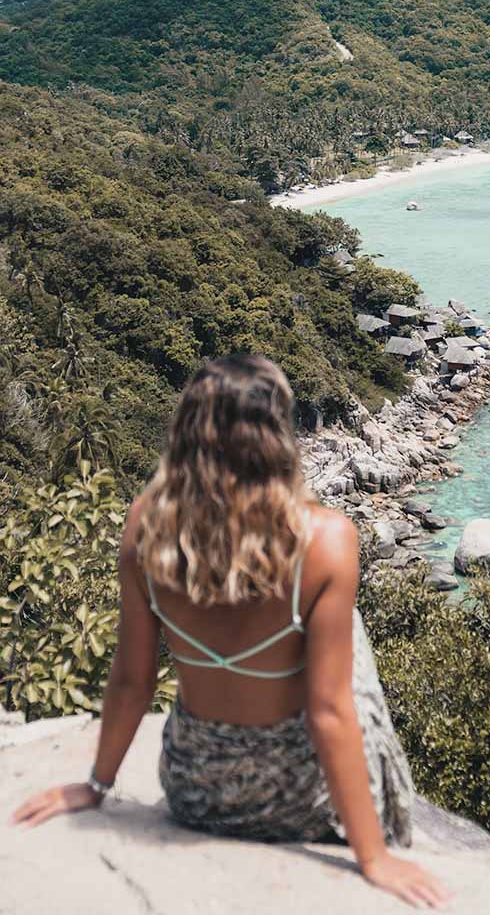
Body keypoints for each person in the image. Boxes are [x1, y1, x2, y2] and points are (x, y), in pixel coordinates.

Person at [12, 355, 451, 910]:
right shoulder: (327, 539)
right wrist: (372, 859)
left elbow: (132, 678)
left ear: (188, 431)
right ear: (277, 436)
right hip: (300, 802)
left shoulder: (146, 523)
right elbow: (330, 712)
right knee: (351, 637)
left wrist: (96, 786)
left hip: (197, 789)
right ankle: (385, 818)